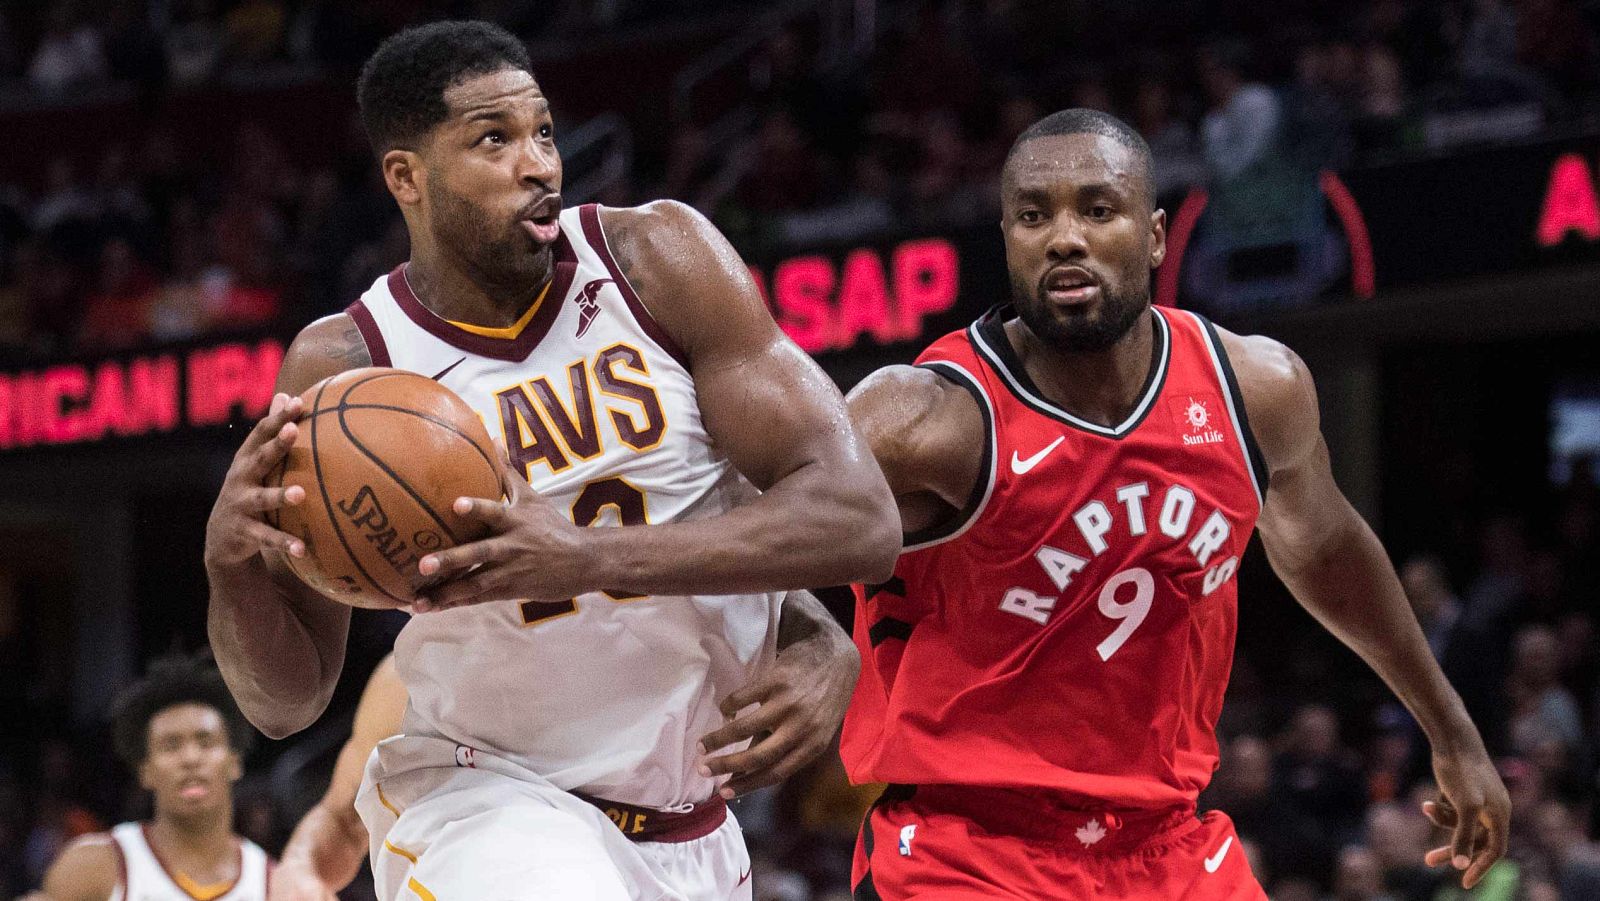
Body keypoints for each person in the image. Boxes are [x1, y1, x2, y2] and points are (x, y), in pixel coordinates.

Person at [204, 20, 897, 901]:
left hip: (693, 826)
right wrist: (232, 570)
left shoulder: (657, 261)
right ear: (406, 177)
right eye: (493, 140)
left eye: (542, 132)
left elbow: (859, 520)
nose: (539, 164)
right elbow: (286, 703)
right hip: (487, 802)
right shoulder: (347, 365)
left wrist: (813, 633)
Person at [840, 108, 1509, 899]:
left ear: (1156, 236)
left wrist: (1451, 728)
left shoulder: (1253, 390)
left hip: (1167, 843)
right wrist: (811, 640)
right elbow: (778, 518)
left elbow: (1325, 549)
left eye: (1097, 210)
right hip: (969, 849)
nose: (1064, 238)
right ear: (1008, 238)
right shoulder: (928, 415)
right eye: (1033, 216)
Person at [28, 655, 268, 901]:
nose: (190, 759)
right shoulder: (95, 866)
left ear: (235, 761)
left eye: (205, 742)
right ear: (145, 771)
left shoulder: (275, 884)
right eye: (171, 746)